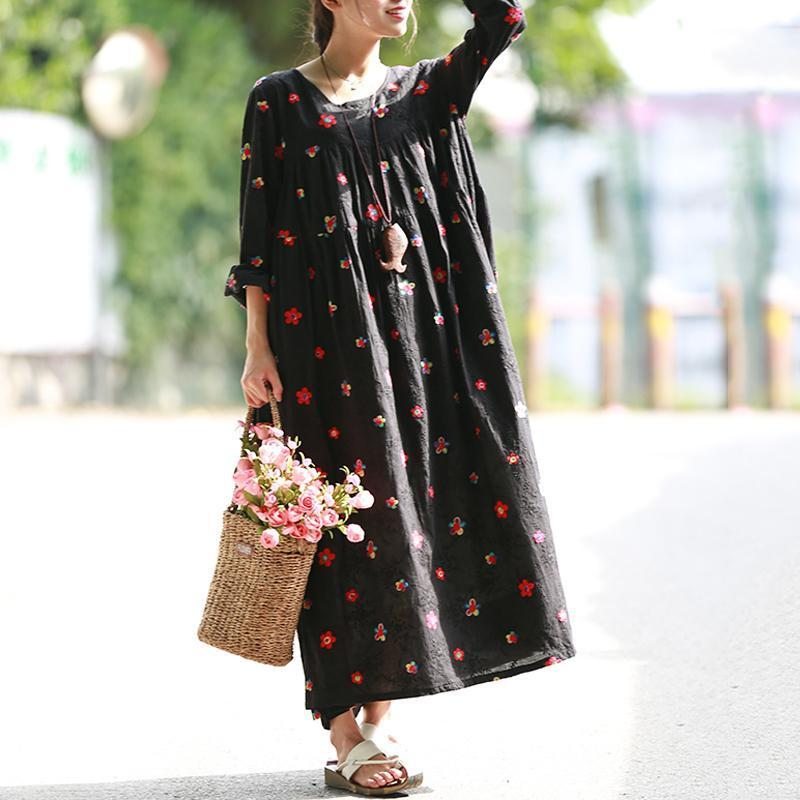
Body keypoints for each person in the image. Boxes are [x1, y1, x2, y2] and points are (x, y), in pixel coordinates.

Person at [224, 0, 577, 793]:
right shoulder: (278, 100)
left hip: (423, 351)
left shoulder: (427, 93)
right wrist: (257, 345)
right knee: (345, 528)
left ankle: (375, 723)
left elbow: (502, 23)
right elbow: (258, 230)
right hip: (321, 348)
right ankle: (347, 729)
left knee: (413, 515)